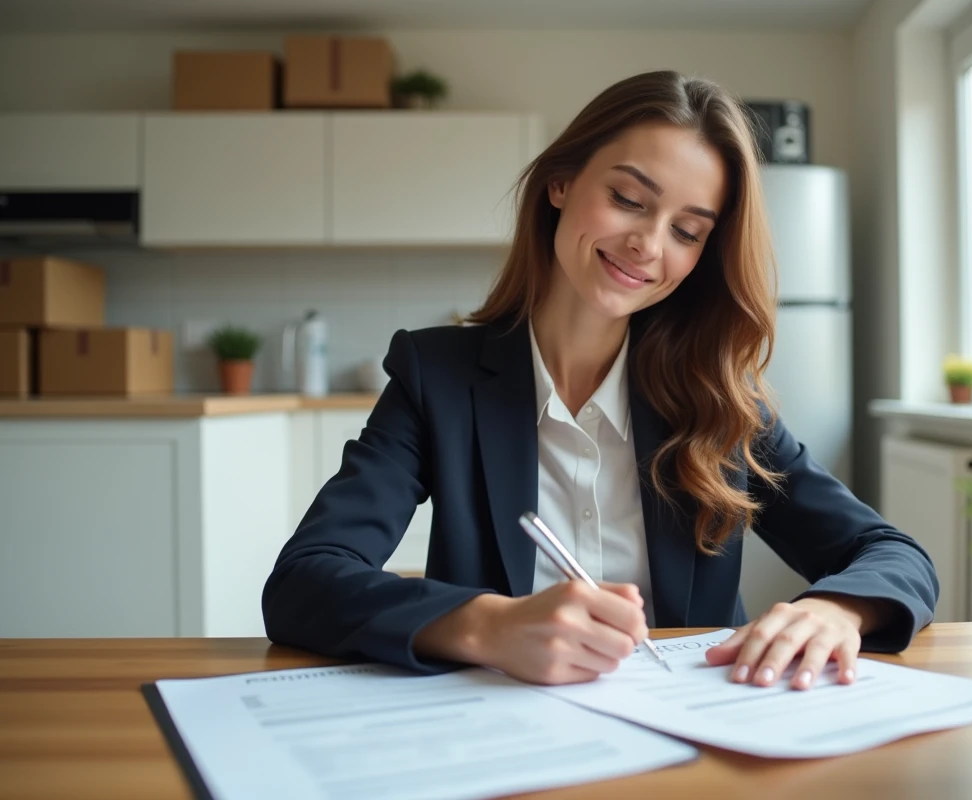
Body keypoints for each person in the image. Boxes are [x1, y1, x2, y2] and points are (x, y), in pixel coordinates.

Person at [262, 70, 938, 692]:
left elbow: (891, 553)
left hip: (693, 743)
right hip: (496, 731)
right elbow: (305, 581)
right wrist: (487, 625)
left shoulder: (720, 405)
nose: (649, 244)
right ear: (561, 182)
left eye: (688, 230)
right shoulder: (434, 377)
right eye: (627, 199)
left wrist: (837, 609)